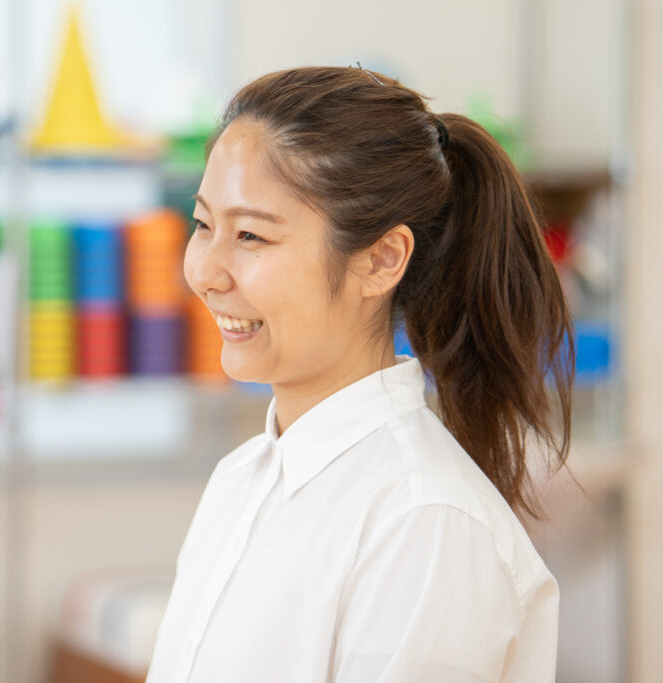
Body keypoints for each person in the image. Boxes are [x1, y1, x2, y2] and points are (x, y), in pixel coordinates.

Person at [145, 66, 573, 683]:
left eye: (250, 235)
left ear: (381, 260)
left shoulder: (425, 523)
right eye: (203, 224)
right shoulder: (239, 480)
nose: (206, 273)